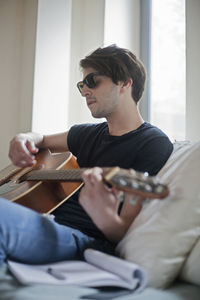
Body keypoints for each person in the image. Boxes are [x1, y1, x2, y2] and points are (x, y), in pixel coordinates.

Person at [0, 44, 173, 266]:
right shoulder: (87, 133)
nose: (84, 91)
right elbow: (41, 139)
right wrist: (23, 138)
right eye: (82, 84)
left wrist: (105, 216)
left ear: (125, 82)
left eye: (92, 81)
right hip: (47, 222)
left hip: (84, 239)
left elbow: (122, 233)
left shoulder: (153, 143)